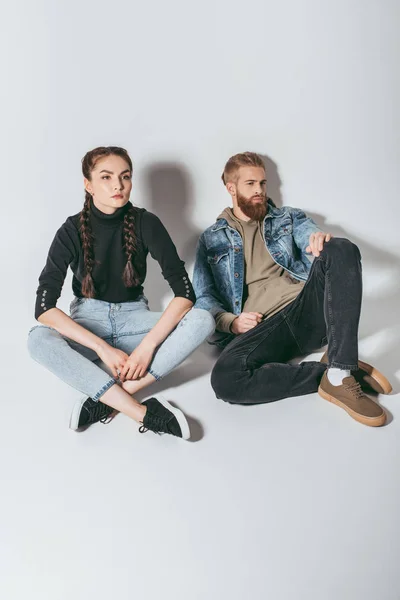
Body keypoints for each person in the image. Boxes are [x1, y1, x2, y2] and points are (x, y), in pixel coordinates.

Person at [28, 146, 215, 440]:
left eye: (125, 177)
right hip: (88, 324)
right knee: (37, 339)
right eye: (106, 177)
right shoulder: (70, 229)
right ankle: (142, 412)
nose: (118, 185)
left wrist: (147, 347)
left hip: (134, 322)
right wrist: (102, 348)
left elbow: (185, 293)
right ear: (88, 184)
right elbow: (44, 308)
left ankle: (108, 399)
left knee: (203, 319)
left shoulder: (145, 222)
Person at [193, 151, 392, 427]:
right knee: (226, 379)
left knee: (340, 248)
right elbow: (203, 298)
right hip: (264, 329)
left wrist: (317, 240)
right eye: (250, 184)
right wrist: (232, 322)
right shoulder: (211, 239)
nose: (259, 191)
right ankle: (336, 372)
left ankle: (339, 371)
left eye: (262, 183)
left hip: (308, 311)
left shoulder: (286, 218)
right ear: (231, 188)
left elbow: (308, 233)